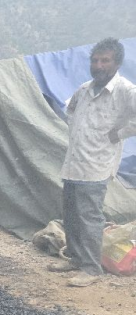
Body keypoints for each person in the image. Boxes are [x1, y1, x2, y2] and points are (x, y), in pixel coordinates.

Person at [49, 38, 136, 287]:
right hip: (74, 162)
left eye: (105, 61)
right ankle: (76, 258)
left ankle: (91, 268)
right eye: (95, 60)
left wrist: (119, 134)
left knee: (89, 217)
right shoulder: (85, 89)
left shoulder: (125, 91)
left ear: (117, 63)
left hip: (98, 164)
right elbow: (70, 110)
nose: (99, 65)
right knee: (71, 214)